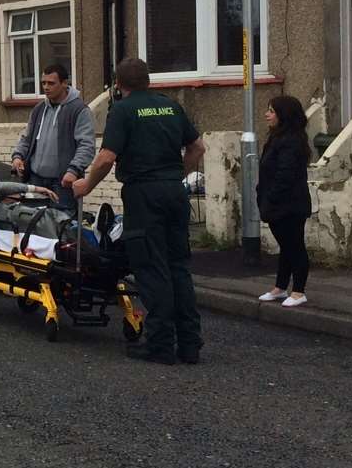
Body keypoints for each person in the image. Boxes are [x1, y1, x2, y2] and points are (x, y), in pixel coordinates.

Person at [72, 57, 206, 365]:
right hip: (174, 191)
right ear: (149, 80)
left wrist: (86, 186)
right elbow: (197, 147)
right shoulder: (171, 107)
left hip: (144, 195)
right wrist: (176, 175)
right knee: (178, 268)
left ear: (118, 84)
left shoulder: (122, 111)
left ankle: (159, 344)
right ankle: (189, 343)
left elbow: (106, 158)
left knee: (151, 268)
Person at [11, 63, 95, 213]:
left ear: (64, 83)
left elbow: (86, 146)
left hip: (63, 183)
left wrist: (74, 171)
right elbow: (27, 138)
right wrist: (18, 156)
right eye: (43, 83)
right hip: (36, 180)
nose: (46, 87)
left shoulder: (79, 110)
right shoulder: (39, 109)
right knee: (33, 226)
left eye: (51, 83)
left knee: (61, 228)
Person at [257, 94, 313, 308]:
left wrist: (269, 199)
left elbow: (285, 175)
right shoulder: (277, 138)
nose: (267, 115)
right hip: (279, 204)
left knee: (294, 247)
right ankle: (280, 287)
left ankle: (299, 291)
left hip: (289, 206)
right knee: (286, 246)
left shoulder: (291, 141)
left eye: (271, 111)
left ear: (283, 115)